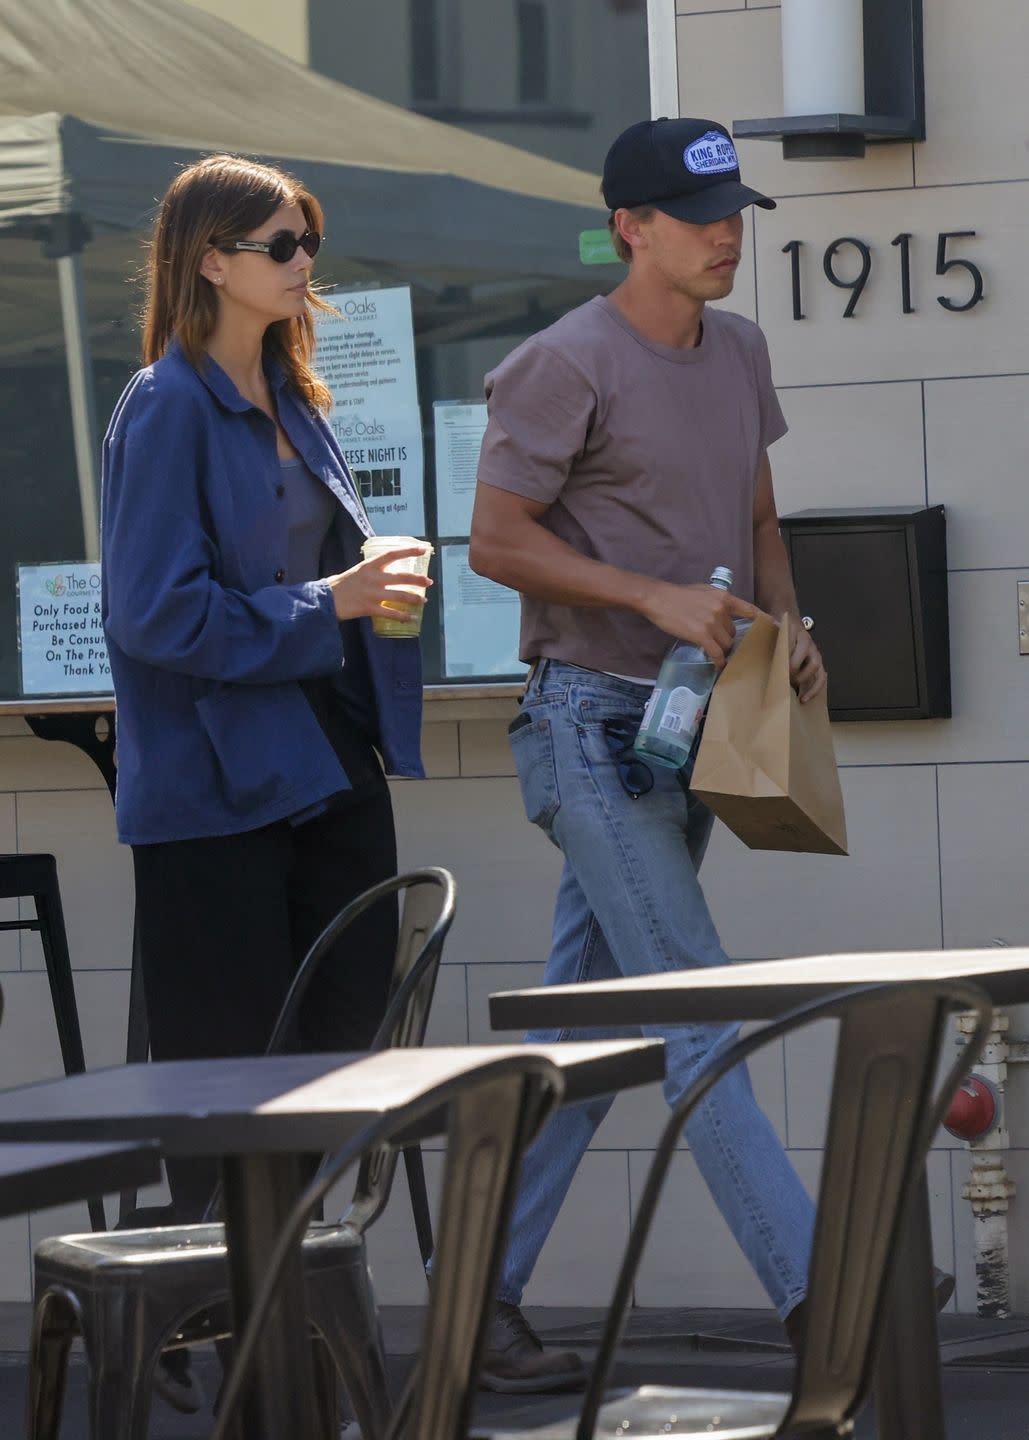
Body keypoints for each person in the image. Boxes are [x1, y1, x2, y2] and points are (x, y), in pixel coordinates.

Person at [468, 115, 828, 1393]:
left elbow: (758, 514)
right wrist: (651, 597)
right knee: (696, 1003)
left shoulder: (740, 349)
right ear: (630, 224)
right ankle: (824, 1292)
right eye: (698, 213)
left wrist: (787, 627)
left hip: (696, 732)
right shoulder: (563, 363)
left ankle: (477, 1304)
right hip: (594, 731)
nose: (727, 231)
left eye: (736, 209)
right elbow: (495, 542)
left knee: (599, 1032)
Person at [102, 155, 429, 1407]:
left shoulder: (297, 399)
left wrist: (372, 593)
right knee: (231, 1085)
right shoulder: (167, 405)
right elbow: (151, 615)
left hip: (328, 771)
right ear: (212, 262)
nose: (305, 265)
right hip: (221, 797)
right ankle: (231, 1327)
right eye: (282, 245)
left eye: (309, 242)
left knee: (337, 1056)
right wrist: (329, 599)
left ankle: (259, 1314)